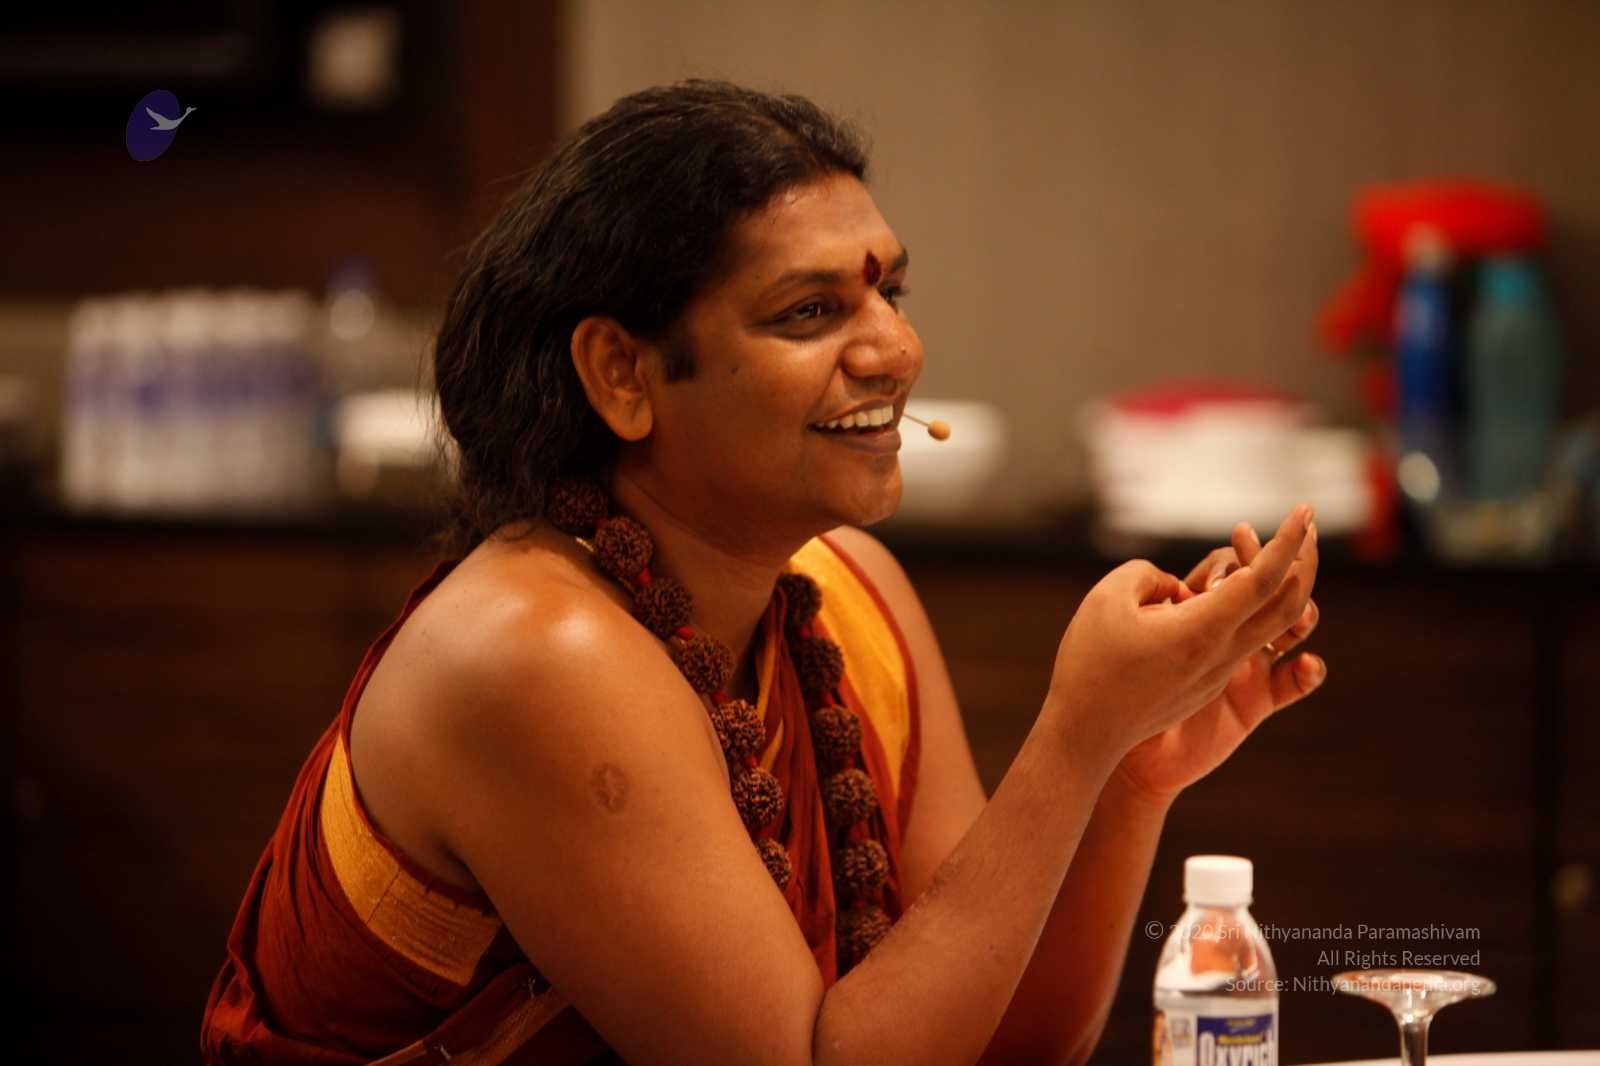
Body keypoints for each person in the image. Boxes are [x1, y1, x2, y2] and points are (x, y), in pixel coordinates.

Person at [202, 79, 1324, 1066]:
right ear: (622, 373)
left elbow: (1008, 1043)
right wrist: (1074, 735)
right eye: (810, 312)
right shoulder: (539, 652)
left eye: (890, 294)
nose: (895, 349)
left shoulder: (851, 593)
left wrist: (1127, 770)